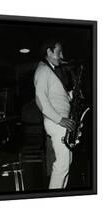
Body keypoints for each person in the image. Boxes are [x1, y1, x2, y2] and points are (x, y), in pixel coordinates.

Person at [33, 40, 75, 189]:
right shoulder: (43, 70)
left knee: (67, 162)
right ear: (49, 52)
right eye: (59, 52)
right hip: (57, 122)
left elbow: (55, 96)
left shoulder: (50, 71)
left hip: (60, 121)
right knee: (62, 164)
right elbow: (40, 99)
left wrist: (70, 96)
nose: (62, 56)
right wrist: (60, 120)